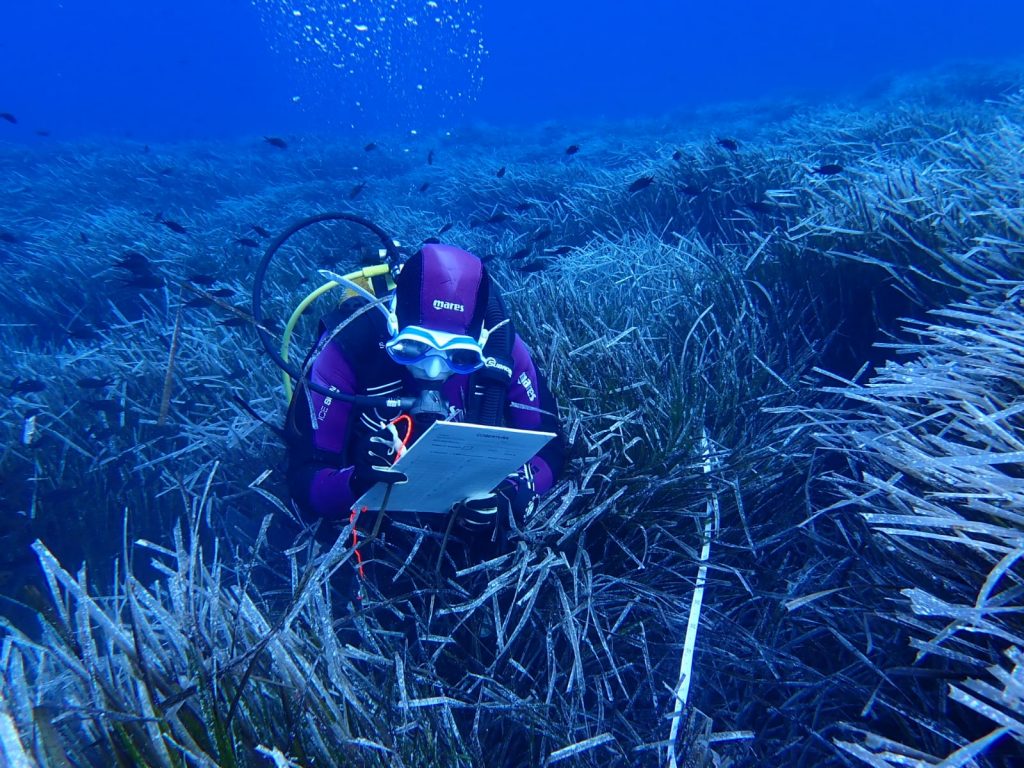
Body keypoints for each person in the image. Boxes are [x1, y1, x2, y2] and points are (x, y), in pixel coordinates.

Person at [284, 243, 564, 555]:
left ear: (481, 341)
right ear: (393, 323)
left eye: (459, 356)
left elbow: (551, 448)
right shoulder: (347, 347)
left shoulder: (504, 350)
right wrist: (355, 483)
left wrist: (510, 495)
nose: (433, 369)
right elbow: (303, 476)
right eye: (413, 349)